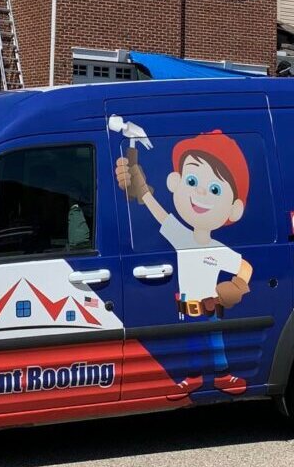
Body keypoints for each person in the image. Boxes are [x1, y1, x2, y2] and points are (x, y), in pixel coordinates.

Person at [116, 130, 253, 400]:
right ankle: (192, 378)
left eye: (215, 189)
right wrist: (142, 190)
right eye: (192, 180)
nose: (201, 192)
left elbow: (244, 267)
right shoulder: (181, 235)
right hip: (186, 307)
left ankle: (223, 376)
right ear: (175, 182)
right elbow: (158, 213)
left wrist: (234, 288)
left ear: (234, 208)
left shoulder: (218, 249)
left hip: (210, 307)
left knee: (216, 342)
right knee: (191, 344)